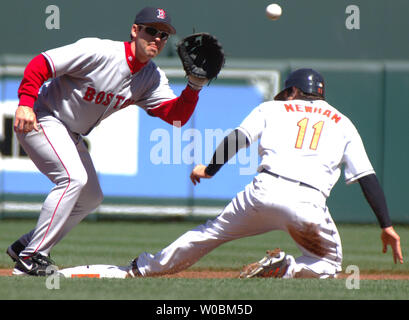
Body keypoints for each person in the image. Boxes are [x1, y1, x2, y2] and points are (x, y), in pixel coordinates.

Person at [127, 68, 403, 279]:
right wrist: (385, 225)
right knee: (329, 264)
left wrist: (210, 169)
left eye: (286, 93)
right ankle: (287, 268)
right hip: (307, 203)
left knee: (210, 233)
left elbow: (238, 138)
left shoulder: (273, 107)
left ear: (293, 91)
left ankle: (146, 267)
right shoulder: (343, 123)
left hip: (263, 191)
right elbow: (367, 177)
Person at [7, 7, 209, 276]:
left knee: (91, 197)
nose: (157, 39)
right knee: (73, 178)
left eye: (163, 35)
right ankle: (33, 256)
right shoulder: (99, 51)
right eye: (151, 30)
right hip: (43, 117)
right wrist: (25, 104)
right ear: (135, 30)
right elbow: (42, 63)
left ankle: (26, 246)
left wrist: (194, 87)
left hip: (70, 133)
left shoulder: (151, 77)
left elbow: (175, 116)